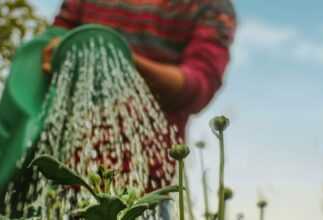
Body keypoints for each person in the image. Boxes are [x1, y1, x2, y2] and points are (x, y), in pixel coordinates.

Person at [42, 0, 236, 218]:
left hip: (143, 187)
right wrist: (51, 50)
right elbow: (54, 37)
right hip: (65, 172)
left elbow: (198, 86)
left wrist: (122, 59)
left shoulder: (209, 7)